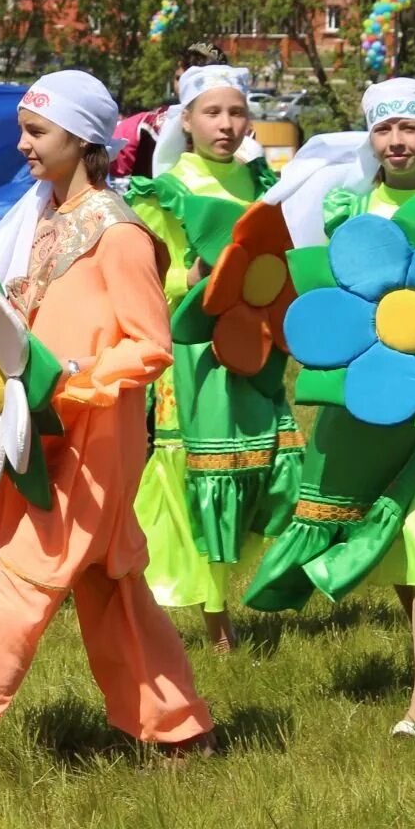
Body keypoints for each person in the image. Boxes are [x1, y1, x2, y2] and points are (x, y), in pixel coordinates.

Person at [0, 71, 214, 775]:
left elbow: (148, 345)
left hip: (98, 438)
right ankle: (181, 732)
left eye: (36, 131)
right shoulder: (48, 219)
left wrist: (74, 382)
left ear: (82, 140)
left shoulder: (118, 235)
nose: (22, 144)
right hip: (50, 431)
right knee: (112, 586)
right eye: (24, 128)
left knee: (27, 579)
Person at [248, 78, 415, 737]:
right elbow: (334, 304)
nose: (397, 141)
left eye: (410, 128)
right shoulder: (350, 208)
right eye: (384, 129)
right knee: (390, 538)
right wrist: (337, 235)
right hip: (363, 402)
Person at [126, 64, 293, 653]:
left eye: (237, 112)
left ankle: (235, 595)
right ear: (187, 120)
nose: (226, 124)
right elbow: (146, 278)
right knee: (200, 480)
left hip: (258, 350)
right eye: (213, 113)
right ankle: (212, 618)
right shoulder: (167, 187)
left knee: (264, 470)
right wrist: (192, 275)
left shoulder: (260, 180)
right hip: (196, 355)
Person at [112, 41, 229, 180]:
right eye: (178, 78)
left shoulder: (237, 130)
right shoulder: (145, 125)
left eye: (189, 79)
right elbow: (104, 161)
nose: (181, 85)